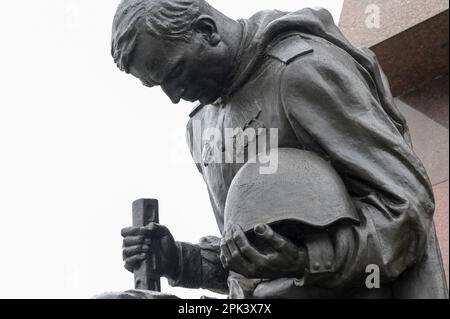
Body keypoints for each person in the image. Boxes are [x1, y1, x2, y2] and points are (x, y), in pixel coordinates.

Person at [111, 0, 448, 298]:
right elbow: (251, 267)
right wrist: (182, 262)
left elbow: (407, 208)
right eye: (159, 85)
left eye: (176, 72)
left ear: (206, 30)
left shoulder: (300, 70)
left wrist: (307, 260)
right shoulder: (202, 126)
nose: (173, 96)